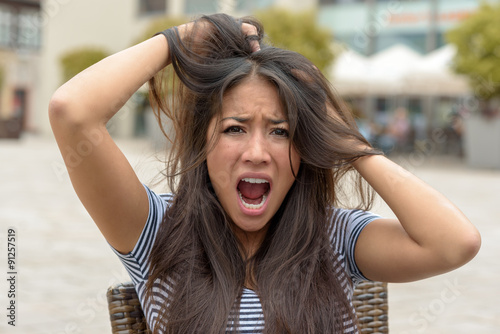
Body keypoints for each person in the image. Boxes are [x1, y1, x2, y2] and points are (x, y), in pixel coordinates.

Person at [49, 13, 480, 334]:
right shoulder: (159, 233)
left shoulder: (336, 239)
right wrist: (183, 38)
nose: (257, 152)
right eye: (235, 129)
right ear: (203, 144)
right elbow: (72, 113)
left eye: (280, 132)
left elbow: (455, 243)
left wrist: (343, 140)